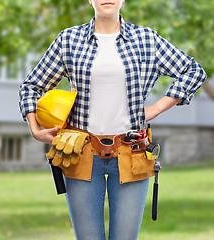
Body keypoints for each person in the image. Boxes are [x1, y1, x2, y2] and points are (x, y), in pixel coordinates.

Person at [19, 0, 207, 239]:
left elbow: (193, 71)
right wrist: (35, 129)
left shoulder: (146, 39)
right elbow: (31, 86)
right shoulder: (68, 40)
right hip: (80, 154)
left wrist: (157, 108)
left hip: (132, 153)